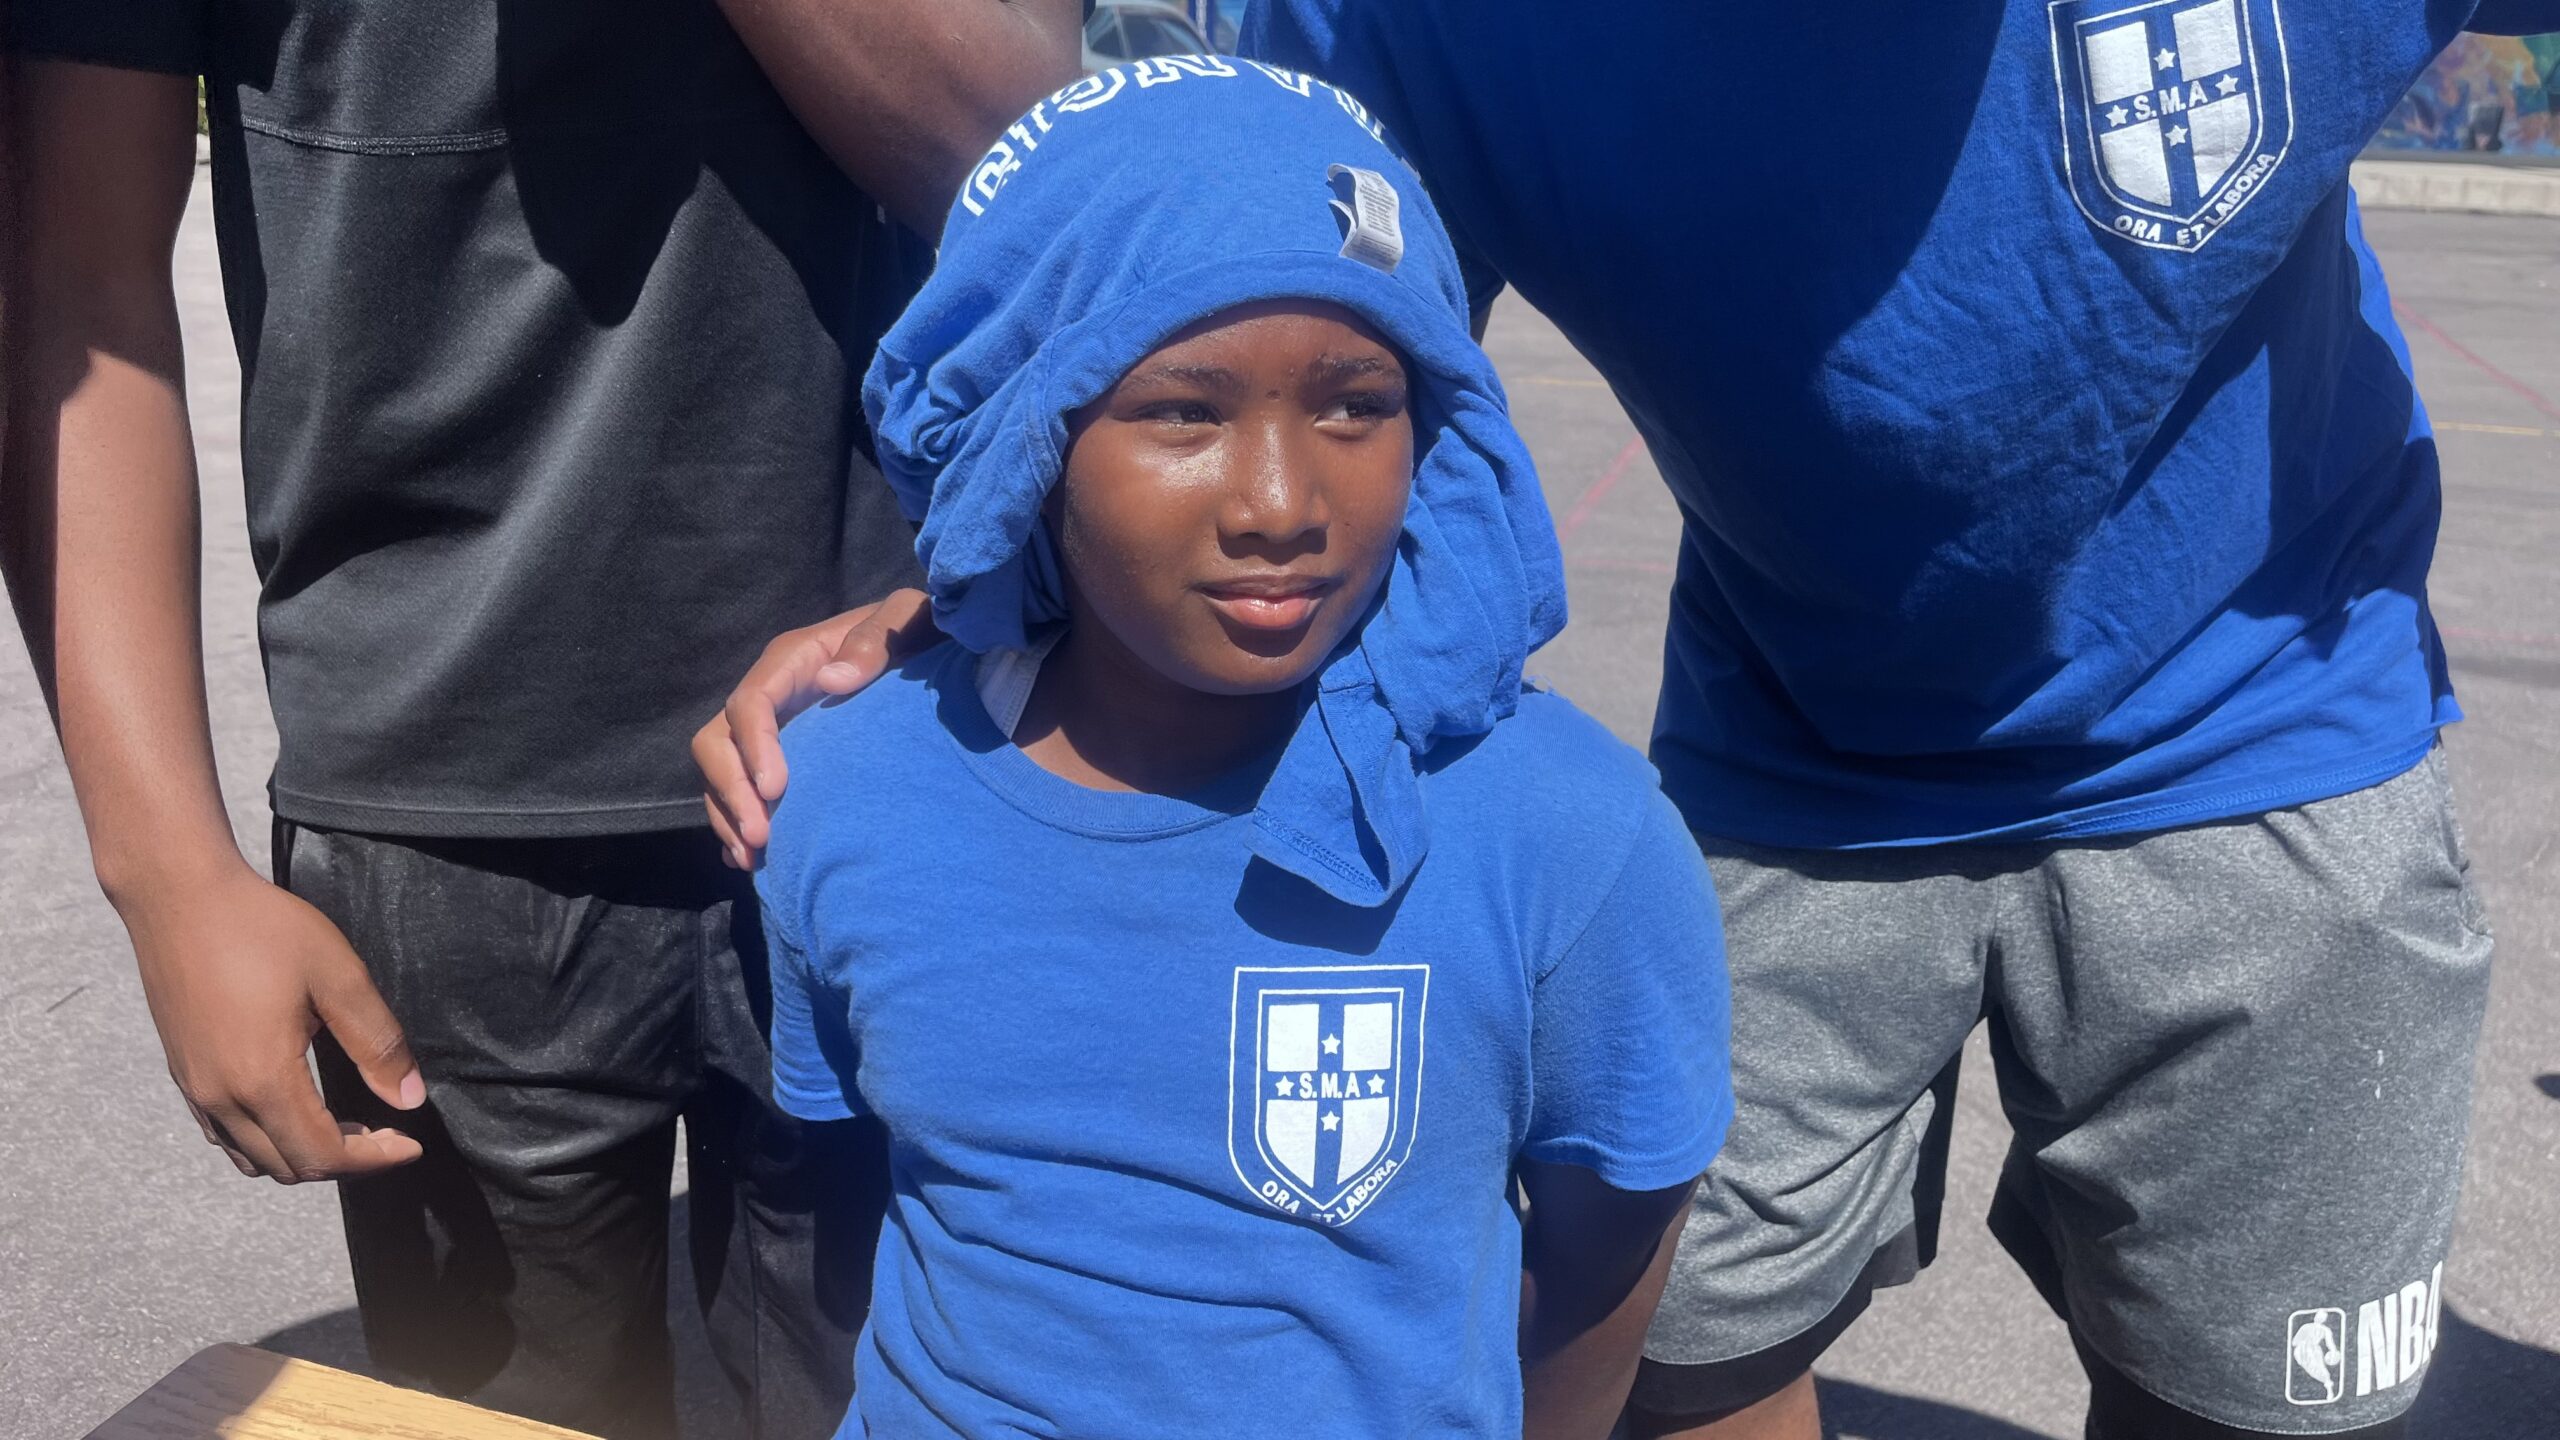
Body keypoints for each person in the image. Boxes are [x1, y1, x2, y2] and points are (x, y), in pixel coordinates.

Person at [704, 6, 2555, 1439]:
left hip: (2274, 715)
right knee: (1698, 1362)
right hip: (1792, 756)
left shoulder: (1559, 835)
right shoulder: (1433, 22)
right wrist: (985, 591)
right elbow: (1220, 279)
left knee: (2259, 1406)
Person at [0, 4, 1076, 1437]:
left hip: (882, 731)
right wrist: (166, 870)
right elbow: (79, 289)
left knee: (909, 1401)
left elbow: (1027, 153)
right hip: (434, 816)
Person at [757, 65, 1732, 1439]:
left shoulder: (1571, 836)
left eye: (1355, 404)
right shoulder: (845, 790)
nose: (1280, 503)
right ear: (1029, 435)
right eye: (1184, 412)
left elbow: (1606, 1264)